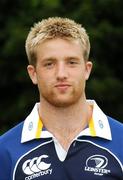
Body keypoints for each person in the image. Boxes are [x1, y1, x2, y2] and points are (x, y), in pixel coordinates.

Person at [0, 17, 123, 180]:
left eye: (71, 62)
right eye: (49, 64)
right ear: (33, 73)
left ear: (87, 70)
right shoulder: (5, 150)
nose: (61, 74)